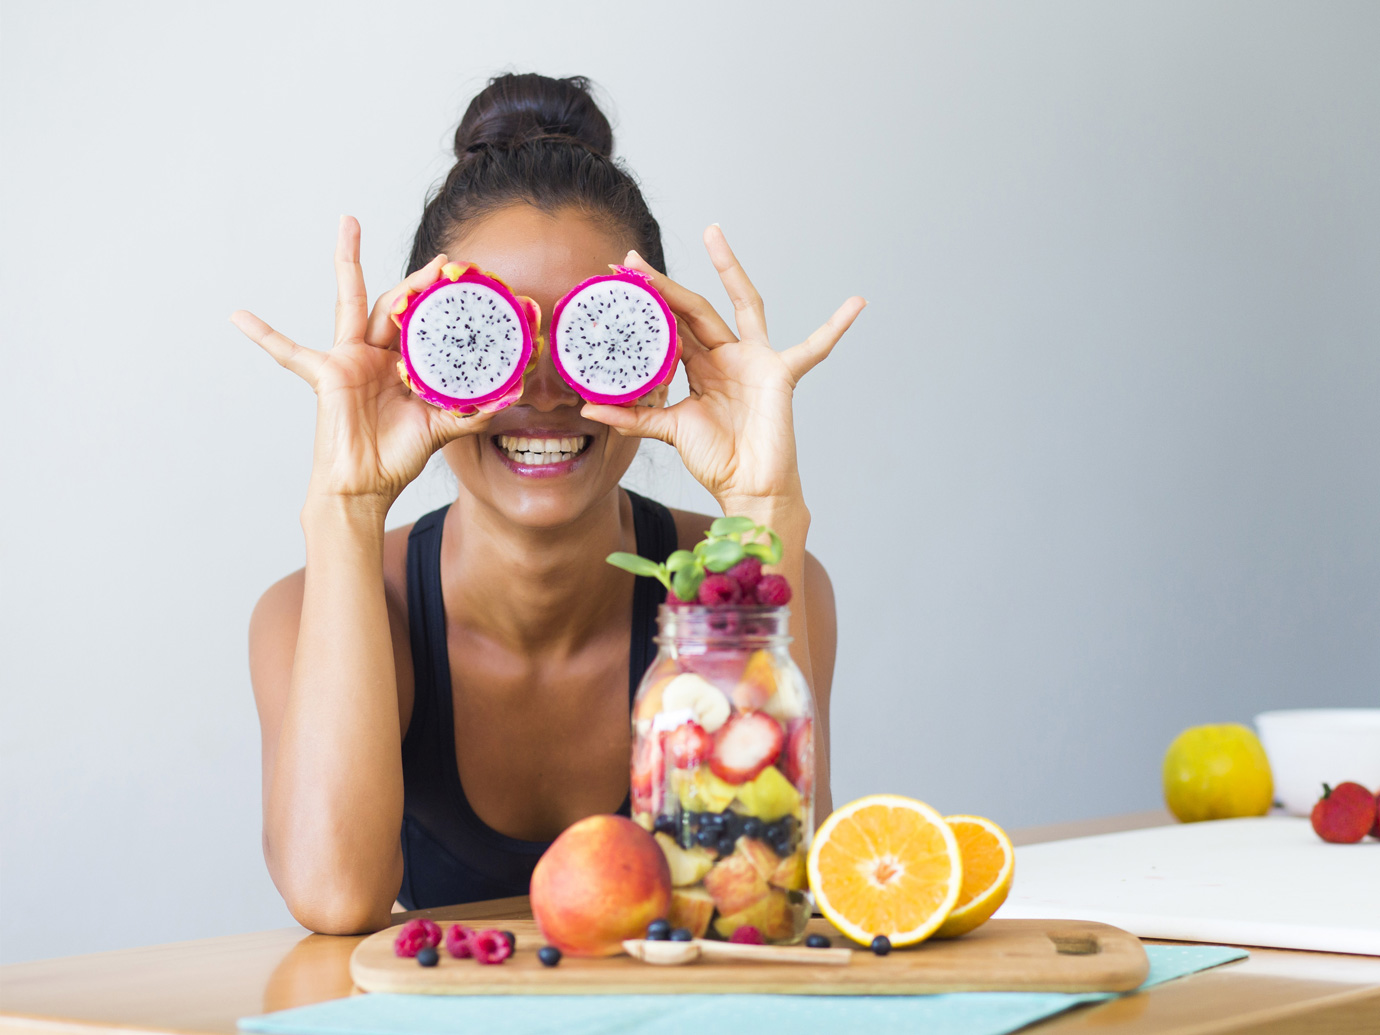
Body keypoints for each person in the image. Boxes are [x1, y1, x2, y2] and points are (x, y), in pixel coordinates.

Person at [231, 73, 865, 935]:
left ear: (668, 351)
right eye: (481, 339)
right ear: (413, 359)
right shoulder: (311, 612)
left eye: (599, 336)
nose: (544, 390)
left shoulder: (753, 580)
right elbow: (335, 895)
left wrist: (763, 507)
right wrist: (346, 504)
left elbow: (755, 889)